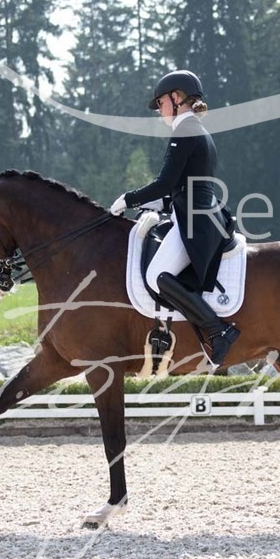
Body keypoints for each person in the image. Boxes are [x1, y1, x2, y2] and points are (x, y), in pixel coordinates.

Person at [110, 69, 240, 366]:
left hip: (195, 220)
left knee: (157, 275)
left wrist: (128, 199)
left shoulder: (185, 131)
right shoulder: (195, 130)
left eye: (161, 103)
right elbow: (179, 187)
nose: (159, 110)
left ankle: (217, 330)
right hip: (196, 213)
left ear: (177, 97)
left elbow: (166, 182)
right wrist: (155, 203)